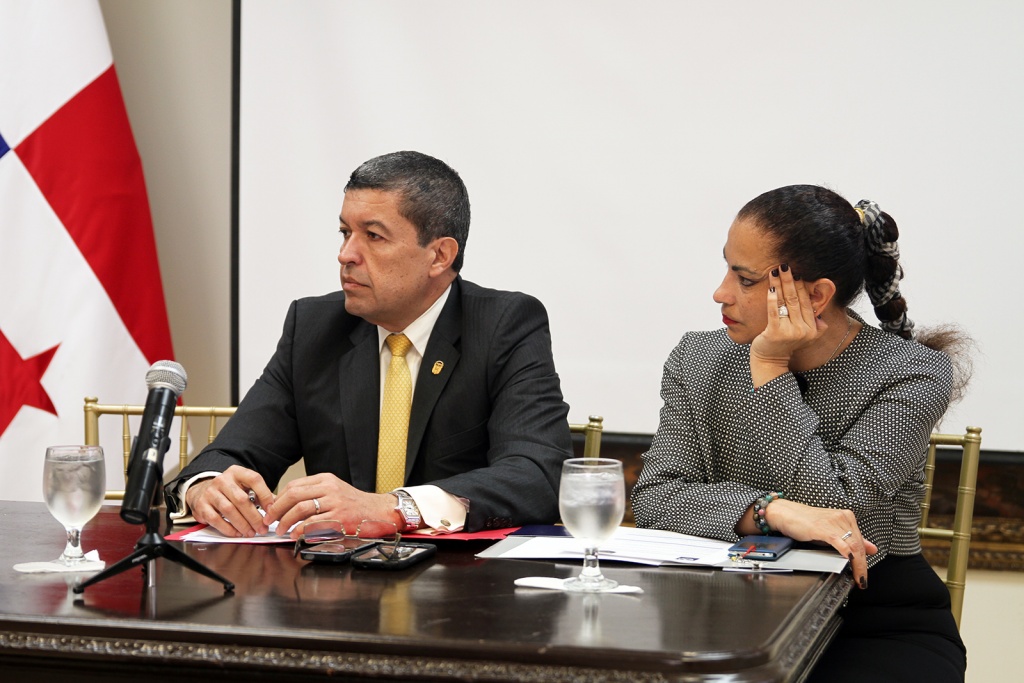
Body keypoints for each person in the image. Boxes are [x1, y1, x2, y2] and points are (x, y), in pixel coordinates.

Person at [631, 185, 971, 682]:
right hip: (722, 610)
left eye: (745, 279)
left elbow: (839, 510)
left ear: (815, 296)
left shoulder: (913, 372)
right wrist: (771, 511)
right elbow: (656, 500)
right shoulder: (698, 358)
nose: (721, 293)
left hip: (872, 621)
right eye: (727, 269)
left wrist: (770, 367)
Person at [166, 151, 572, 539]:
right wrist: (204, 489)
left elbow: (538, 474)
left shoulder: (503, 325)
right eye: (345, 233)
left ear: (439, 255)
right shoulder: (314, 328)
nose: (345, 255)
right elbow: (232, 455)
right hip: (335, 576)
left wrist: (395, 508)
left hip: (461, 578)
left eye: (373, 236)